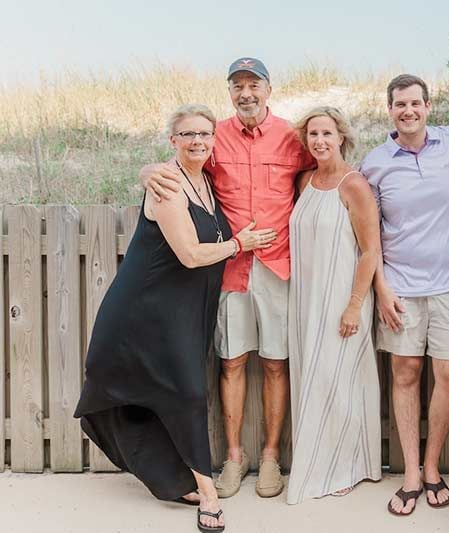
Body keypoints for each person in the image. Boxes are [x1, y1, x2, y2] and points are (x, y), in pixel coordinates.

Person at [75, 104, 276, 532]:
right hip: (145, 311)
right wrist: (241, 243)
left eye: (205, 133)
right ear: (173, 141)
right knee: (187, 393)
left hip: (181, 310)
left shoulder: (204, 179)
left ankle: (169, 478)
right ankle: (207, 493)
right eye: (187, 135)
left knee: (175, 390)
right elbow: (190, 254)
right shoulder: (168, 184)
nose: (198, 141)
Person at [139, 58, 314, 500]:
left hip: (279, 266)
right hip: (231, 268)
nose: (246, 93)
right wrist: (147, 171)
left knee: (276, 363)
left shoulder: (293, 137)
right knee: (232, 362)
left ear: (269, 89)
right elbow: (178, 161)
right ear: (230, 93)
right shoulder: (214, 137)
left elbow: (324, 165)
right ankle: (234, 458)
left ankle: (272, 456)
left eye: (254, 84)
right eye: (237, 86)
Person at [360, 74, 449, 516]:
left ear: (429, 106)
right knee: (405, 373)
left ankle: (433, 467)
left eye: (415, 103)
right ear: (389, 110)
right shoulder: (375, 163)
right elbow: (368, 237)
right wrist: (381, 289)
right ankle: (412, 473)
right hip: (400, 289)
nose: (407, 111)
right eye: (399, 105)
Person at [286, 106, 382, 504]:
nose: (320, 141)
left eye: (327, 133)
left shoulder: (354, 184)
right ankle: (316, 459)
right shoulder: (305, 180)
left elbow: (370, 250)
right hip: (307, 297)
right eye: (313, 135)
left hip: (344, 294)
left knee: (342, 381)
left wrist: (354, 305)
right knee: (315, 377)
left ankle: (349, 466)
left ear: (341, 136)